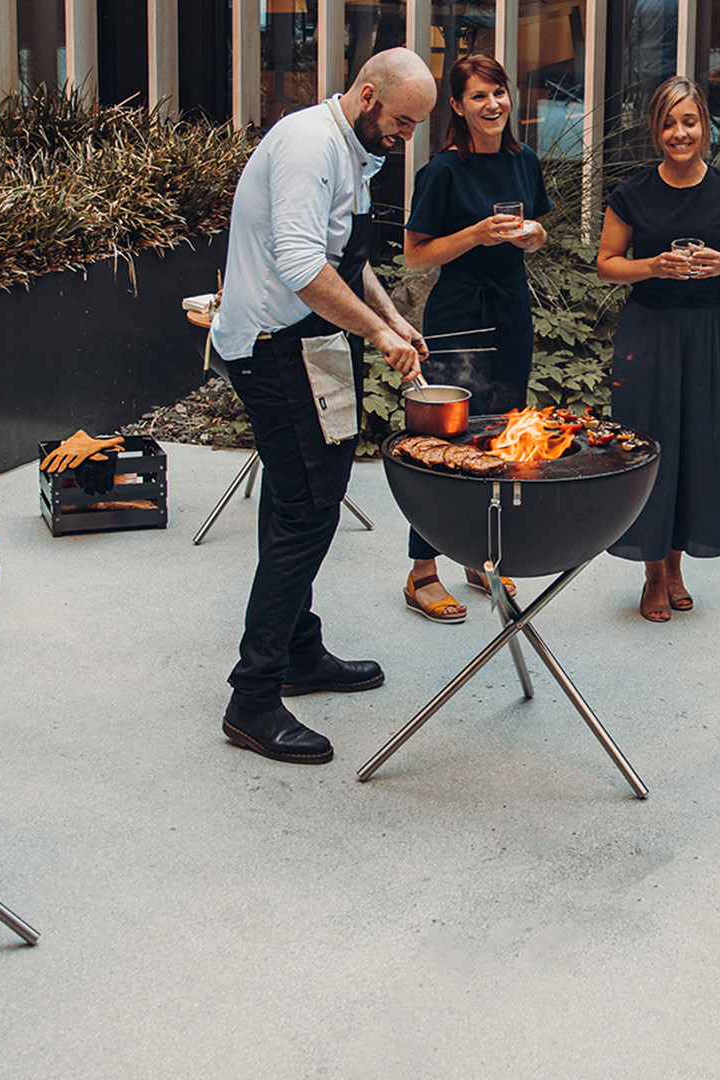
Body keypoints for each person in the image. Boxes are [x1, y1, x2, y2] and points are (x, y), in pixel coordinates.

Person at [210, 47, 434, 765]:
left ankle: (300, 652)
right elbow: (302, 267)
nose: (403, 139)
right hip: (275, 345)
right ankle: (253, 696)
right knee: (308, 506)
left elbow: (347, 260)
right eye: (401, 123)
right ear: (369, 94)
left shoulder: (357, 150)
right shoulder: (309, 145)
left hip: (317, 344)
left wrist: (392, 319)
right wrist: (376, 332)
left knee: (300, 495)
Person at [595, 75, 720, 622]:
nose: (679, 132)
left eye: (689, 121)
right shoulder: (632, 192)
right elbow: (607, 263)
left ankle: (676, 564)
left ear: (706, 127)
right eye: (668, 122)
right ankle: (650, 572)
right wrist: (653, 267)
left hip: (704, 331)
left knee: (697, 447)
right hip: (649, 331)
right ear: (655, 130)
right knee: (651, 446)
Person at [399, 53, 552, 623]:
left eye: (500, 93)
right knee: (445, 441)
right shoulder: (441, 171)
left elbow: (537, 232)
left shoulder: (525, 160)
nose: (493, 105)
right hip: (459, 312)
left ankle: (481, 557)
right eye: (480, 96)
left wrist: (533, 234)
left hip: (511, 309)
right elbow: (415, 257)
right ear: (458, 107)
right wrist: (474, 234)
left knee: (501, 434)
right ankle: (421, 571)